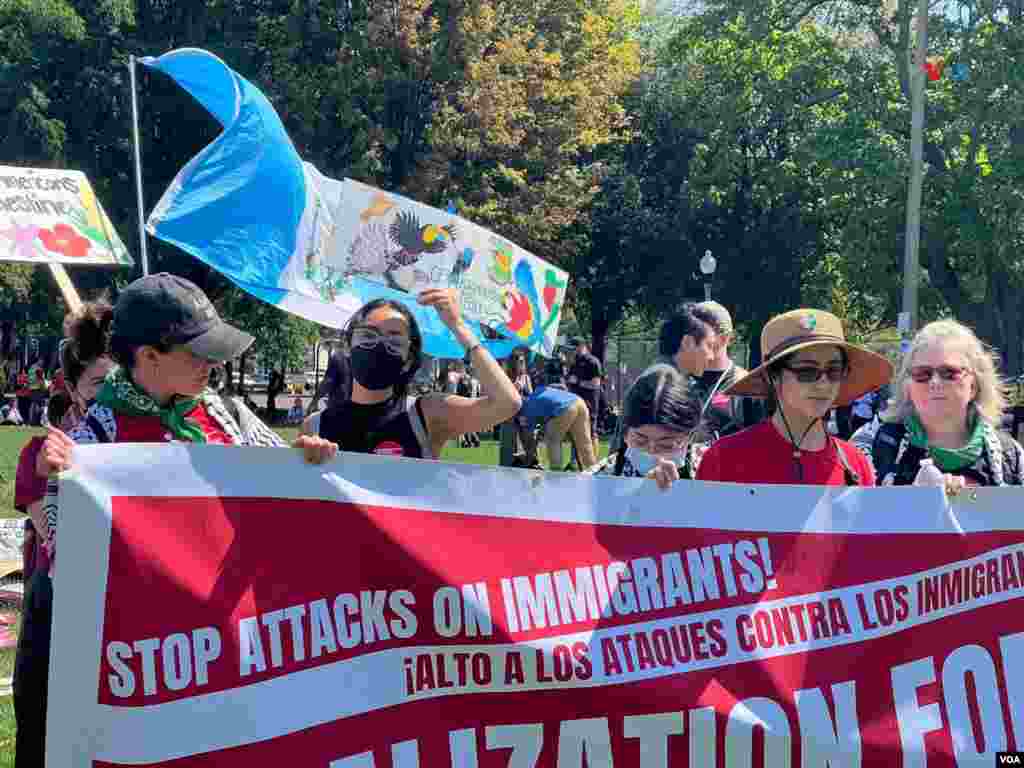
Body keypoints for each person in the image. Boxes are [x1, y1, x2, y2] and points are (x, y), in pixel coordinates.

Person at [24, 275, 337, 768]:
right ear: (148, 357)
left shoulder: (230, 415)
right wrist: (58, 482)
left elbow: (288, 496)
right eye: (196, 352)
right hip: (153, 659)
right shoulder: (92, 443)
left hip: (230, 643)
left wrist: (306, 461)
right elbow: (66, 567)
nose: (212, 364)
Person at [303, 289, 521, 458]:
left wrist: (458, 326)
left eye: (394, 340)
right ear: (349, 347)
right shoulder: (315, 425)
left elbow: (507, 403)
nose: (379, 346)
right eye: (368, 335)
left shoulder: (427, 413)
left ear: (409, 359)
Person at [697, 309, 892, 485]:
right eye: (807, 371)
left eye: (834, 370)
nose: (823, 383)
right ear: (773, 376)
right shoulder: (724, 459)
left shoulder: (856, 464)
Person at [870, 320, 1024, 489]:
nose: (935, 382)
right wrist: (912, 499)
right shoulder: (875, 444)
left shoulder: (1010, 455)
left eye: (949, 373)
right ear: (908, 386)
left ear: (974, 385)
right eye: (922, 374)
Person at [609, 303, 720, 454]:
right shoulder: (661, 383)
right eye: (709, 345)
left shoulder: (659, 375)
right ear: (687, 342)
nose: (711, 356)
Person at [589, 367, 705, 489]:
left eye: (666, 444)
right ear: (625, 434)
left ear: (689, 437)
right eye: (640, 441)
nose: (652, 451)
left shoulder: (711, 469)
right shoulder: (601, 479)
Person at [518, 359, 597, 470]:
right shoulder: (538, 392)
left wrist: (529, 455)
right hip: (578, 401)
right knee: (585, 444)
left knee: (553, 440)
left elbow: (529, 435)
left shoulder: (526, 408)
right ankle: (595, 474)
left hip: (564, 407)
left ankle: (556, 475)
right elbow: (561, 388)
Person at [567, 338, 603, 459]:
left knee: (591, 431)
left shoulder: (593, 361)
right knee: (575, 430)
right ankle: (574, 461)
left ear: (582, 346)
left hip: (589, 401)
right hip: (575, 401)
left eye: (574, 347)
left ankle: (594, 461)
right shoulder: (574, 362)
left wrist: (578, 381)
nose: (573, 350)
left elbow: (596, 384)